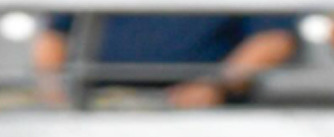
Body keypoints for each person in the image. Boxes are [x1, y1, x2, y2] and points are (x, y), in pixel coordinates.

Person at [34, 12, 299, 108]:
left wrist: (214, 86)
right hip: (102, 110)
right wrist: (55, 95)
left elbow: (274, 39)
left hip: (205, 121)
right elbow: (53, 36)